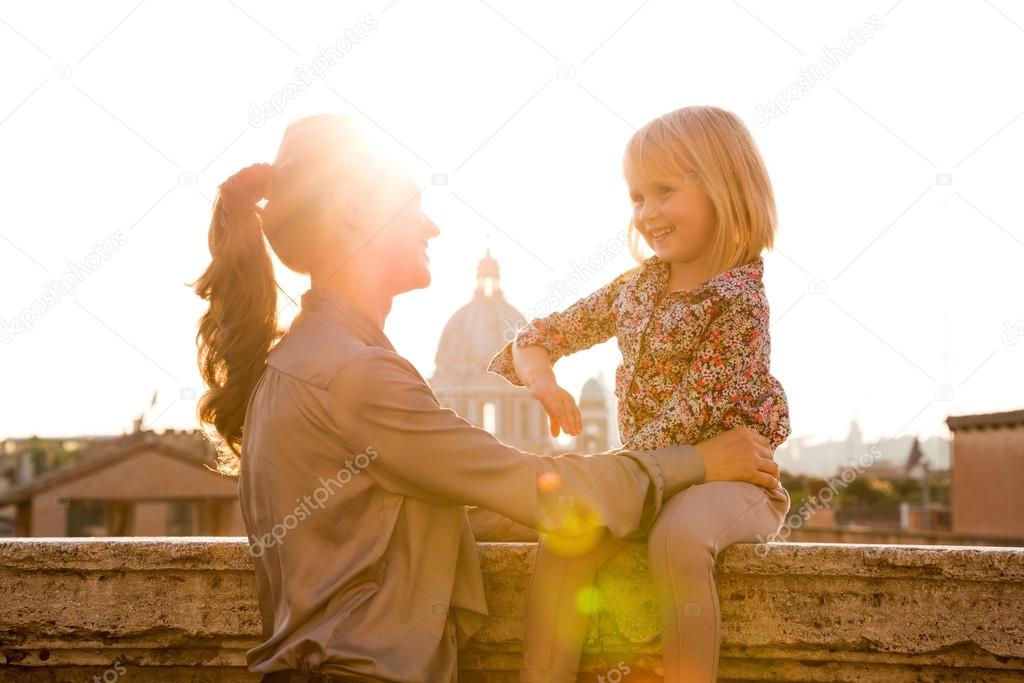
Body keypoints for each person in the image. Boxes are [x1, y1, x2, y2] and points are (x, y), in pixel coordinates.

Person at [189, 112, 782, 683]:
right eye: (412, 205)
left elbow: (433, 515)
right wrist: (699, 462)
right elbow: (542, 495)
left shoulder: (306, 361)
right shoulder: (356, 376)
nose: (431, 227)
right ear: (351, 211)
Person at [488, 105, 792, 683]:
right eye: (636, 198)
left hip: (732, 482)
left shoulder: (738, 298)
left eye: (664, 192)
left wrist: (602, 479)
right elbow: (537, 336)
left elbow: (693, 412)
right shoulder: (637, 288)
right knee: (565, 540)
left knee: (678, 541)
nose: (647, 214)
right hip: (651, 478)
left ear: (724, 189)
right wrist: (543, 379)